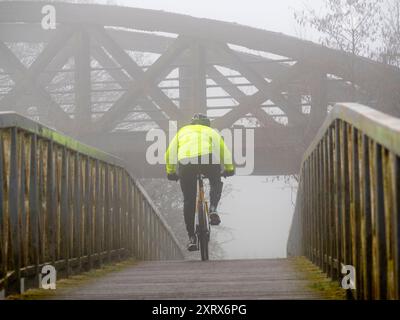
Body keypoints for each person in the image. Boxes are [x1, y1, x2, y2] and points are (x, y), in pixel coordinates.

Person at [165, 113, 235, 251]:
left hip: (186, 163)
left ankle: (191, 238)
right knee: (215, 181)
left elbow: (170, 152)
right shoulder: (210, 131)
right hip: (206, 160)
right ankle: (213, 209)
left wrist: (171, 171)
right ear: (206, 124)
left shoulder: (182, 131)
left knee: (189, 201)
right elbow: (223, 150)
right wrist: (229, 168)